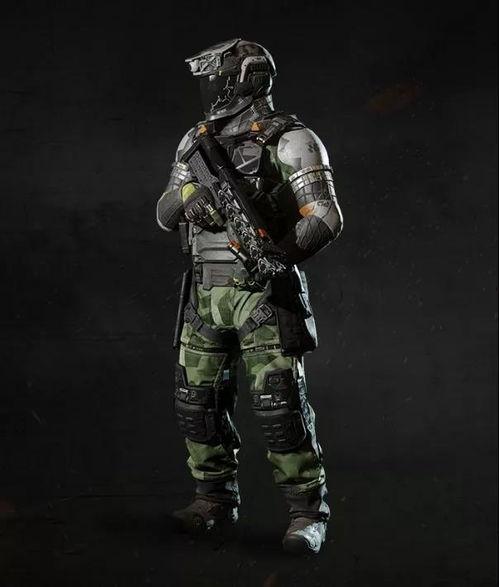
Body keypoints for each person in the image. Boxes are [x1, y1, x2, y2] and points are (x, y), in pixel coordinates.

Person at [156, 39, 343, 555]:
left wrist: (278, 256)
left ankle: (308, 512)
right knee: (197, 404)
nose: (208, 89)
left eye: (215, 79)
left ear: (244, 80)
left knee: (280, 406)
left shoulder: (292, 139)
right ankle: (212, 501)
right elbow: (164, 211)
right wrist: (191, 196)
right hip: (205, 293)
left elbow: (325, 216)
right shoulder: (196, 141)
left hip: (262, 295)